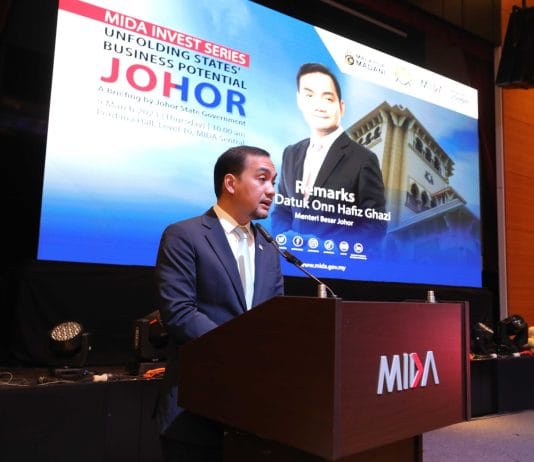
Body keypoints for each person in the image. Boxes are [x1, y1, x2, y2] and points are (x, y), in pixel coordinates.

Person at [154, 145, 284, 461]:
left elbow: (277, 318)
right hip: (196, 409)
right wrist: (243, 353)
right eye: (262, 179)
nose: (271, 190)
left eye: (274, 182)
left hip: (253, 415)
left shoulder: (269, 247)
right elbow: (180, 313)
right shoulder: (184, 235)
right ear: (230, 183)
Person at [271, 62, 387, 241]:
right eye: (309, 96)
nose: (319, 106)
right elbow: (282, 210)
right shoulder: (290, 153)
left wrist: (329, 249)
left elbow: (375, 225)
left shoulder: (364, 159)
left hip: (336, 257)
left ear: (341, 107)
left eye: (327, 99)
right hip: (288, 256)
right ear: (299, 101)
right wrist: (284, 241)